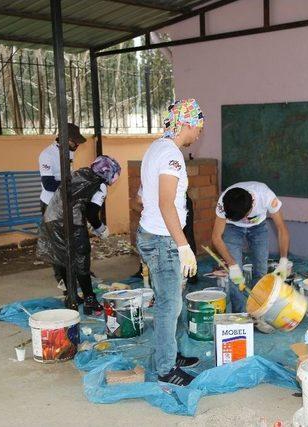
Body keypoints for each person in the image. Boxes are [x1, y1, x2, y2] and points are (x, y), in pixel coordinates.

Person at [136, 99, 204, 386]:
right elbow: (166, 204)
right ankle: (165, 369)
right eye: (199, 127)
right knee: (168, 305)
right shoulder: (171, 156)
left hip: (156, 235)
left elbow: (141, 195)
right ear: (186, 124)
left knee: (171, 302)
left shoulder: (157, 148)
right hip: (164, 240)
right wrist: (183, 245)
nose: (199, 133)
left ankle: (170, 353)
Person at [37, 155, 121, 315]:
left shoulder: (80, 173)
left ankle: (71, 296)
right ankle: (90, 299)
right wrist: (101, 229)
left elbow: (76, 200)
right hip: (70, 222)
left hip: (51, 218)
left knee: (63, 256)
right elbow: (91, 212)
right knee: (81, 256)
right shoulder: (100, 186)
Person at [39, 123, 104, 294]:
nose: (78, 145)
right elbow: (48, 184)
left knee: (75, 239)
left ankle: (79, 272)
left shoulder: (68, 153)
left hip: (67, 202)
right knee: (59, 243)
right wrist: (75, 186)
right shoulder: (47, 155)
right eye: (75, 142)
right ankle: (63, 279)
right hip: (51, 204)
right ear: (66, 139)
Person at [211, 181, 290, 313]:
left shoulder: (266, 196)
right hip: (232, 228)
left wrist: (283, 260)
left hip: (258, 227)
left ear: (252, 204)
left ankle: (258, 313)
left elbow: (282, 229)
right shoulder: (224, 201)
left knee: (261, 271)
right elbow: (216, 237)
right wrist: (232, 265)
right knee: (235, 276)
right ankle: (240, 315)